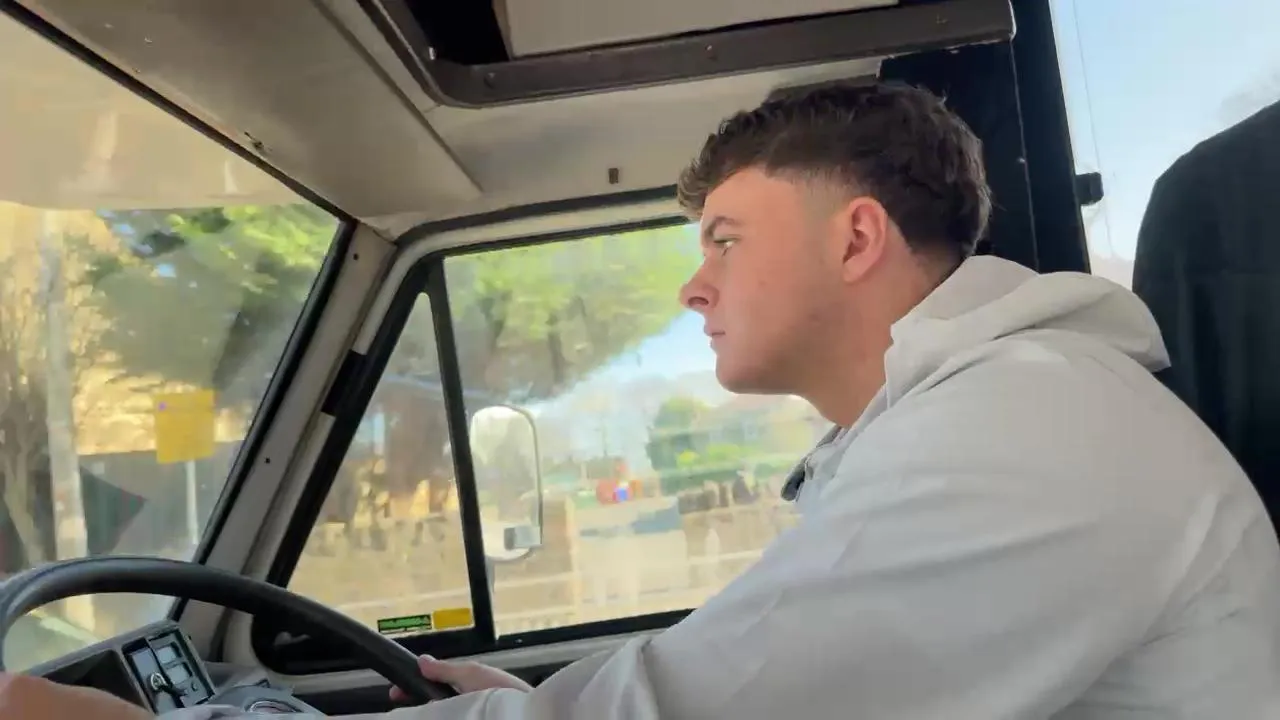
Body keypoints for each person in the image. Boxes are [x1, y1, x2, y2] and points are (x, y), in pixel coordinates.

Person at [6, 82, 1279, 719]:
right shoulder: (954, 425)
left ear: (854, 239)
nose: (690, 284)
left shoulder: (1027, 429)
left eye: (724, 238)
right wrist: (526, 704)